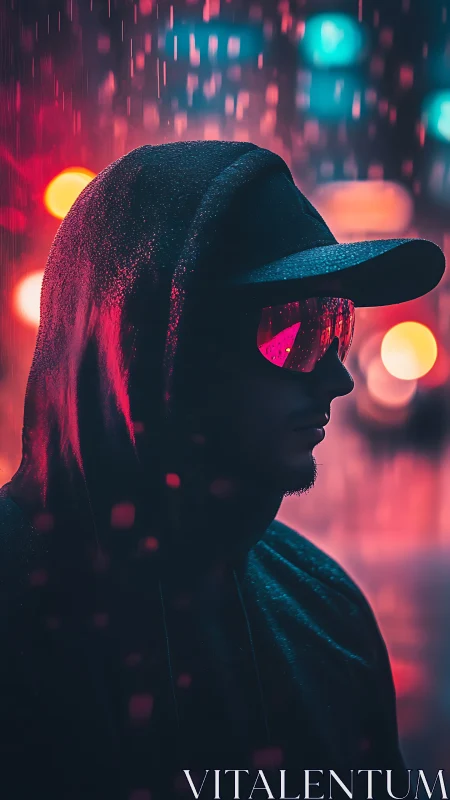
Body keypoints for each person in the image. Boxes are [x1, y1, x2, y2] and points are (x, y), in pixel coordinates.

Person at [0, 140, 445, 800]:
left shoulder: (329, 617)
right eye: (295, 330)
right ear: (162, 346)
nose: (338, 379)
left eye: (338, 326)